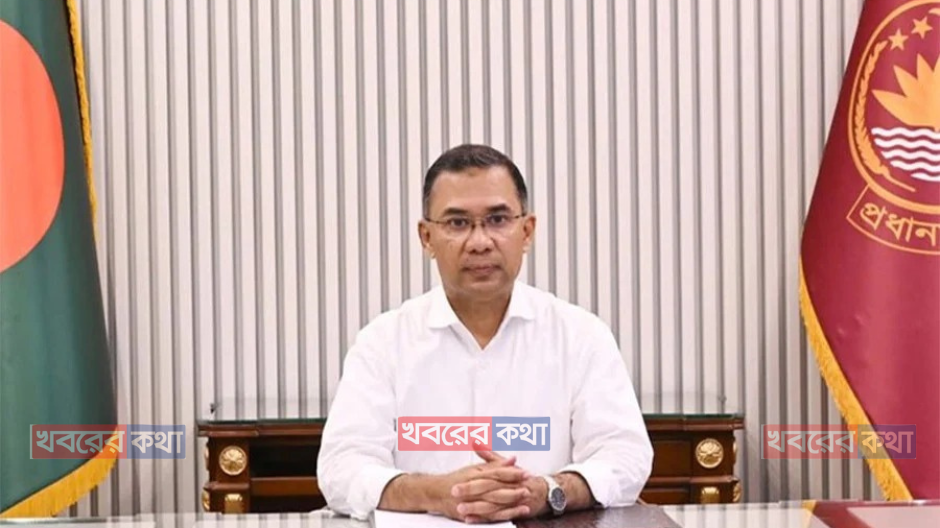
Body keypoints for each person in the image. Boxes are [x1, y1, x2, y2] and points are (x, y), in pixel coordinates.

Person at [316, 144, 653, 523]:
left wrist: (547, 492)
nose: (479, 242)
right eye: (457, 223)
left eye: (497, 219)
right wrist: (438, 494)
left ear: (527, 231)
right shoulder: (383, 343)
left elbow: (625, 456)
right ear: (426, 237)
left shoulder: (580, 336)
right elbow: (342, 467)